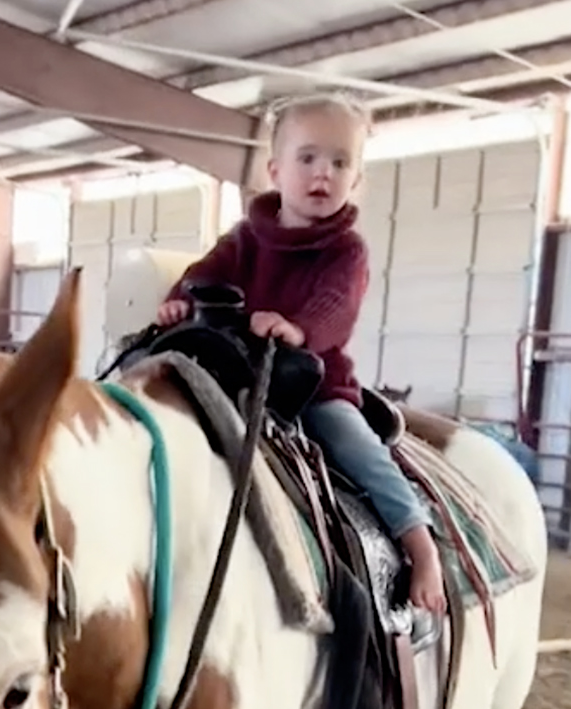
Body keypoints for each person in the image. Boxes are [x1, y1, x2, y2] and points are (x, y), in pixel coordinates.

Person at [158, 92, 445, 616]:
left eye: (340, 163)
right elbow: (203, 277)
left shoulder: (346, 251)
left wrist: (298, 328)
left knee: (355, 446)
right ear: (275, 170)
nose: (324, 174)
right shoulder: (244, 239)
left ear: (355, 180)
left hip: (311, 384)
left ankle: (420, 546)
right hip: (240, 377)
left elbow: (337, 307)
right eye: (308, 158)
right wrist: (179, 303)